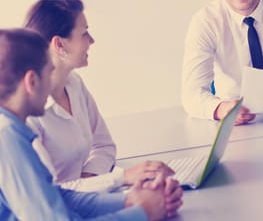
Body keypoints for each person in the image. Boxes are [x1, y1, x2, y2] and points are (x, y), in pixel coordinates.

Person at [0, 28, 183, 220]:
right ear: (32, 81)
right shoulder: (7, 138)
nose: (53, 83)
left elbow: (59, 199)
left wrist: (131, 200)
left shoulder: (12, 131)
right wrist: (141, 213)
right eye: (49, 72)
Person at [23, 0, 174, 192]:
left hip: (90, 200)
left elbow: (104, 146)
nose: (92, 40)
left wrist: (91, 181)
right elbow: (52, 194)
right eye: (85, 33)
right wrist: (122, 178)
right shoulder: (28, 115)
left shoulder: (74, 84)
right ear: (59, 45)